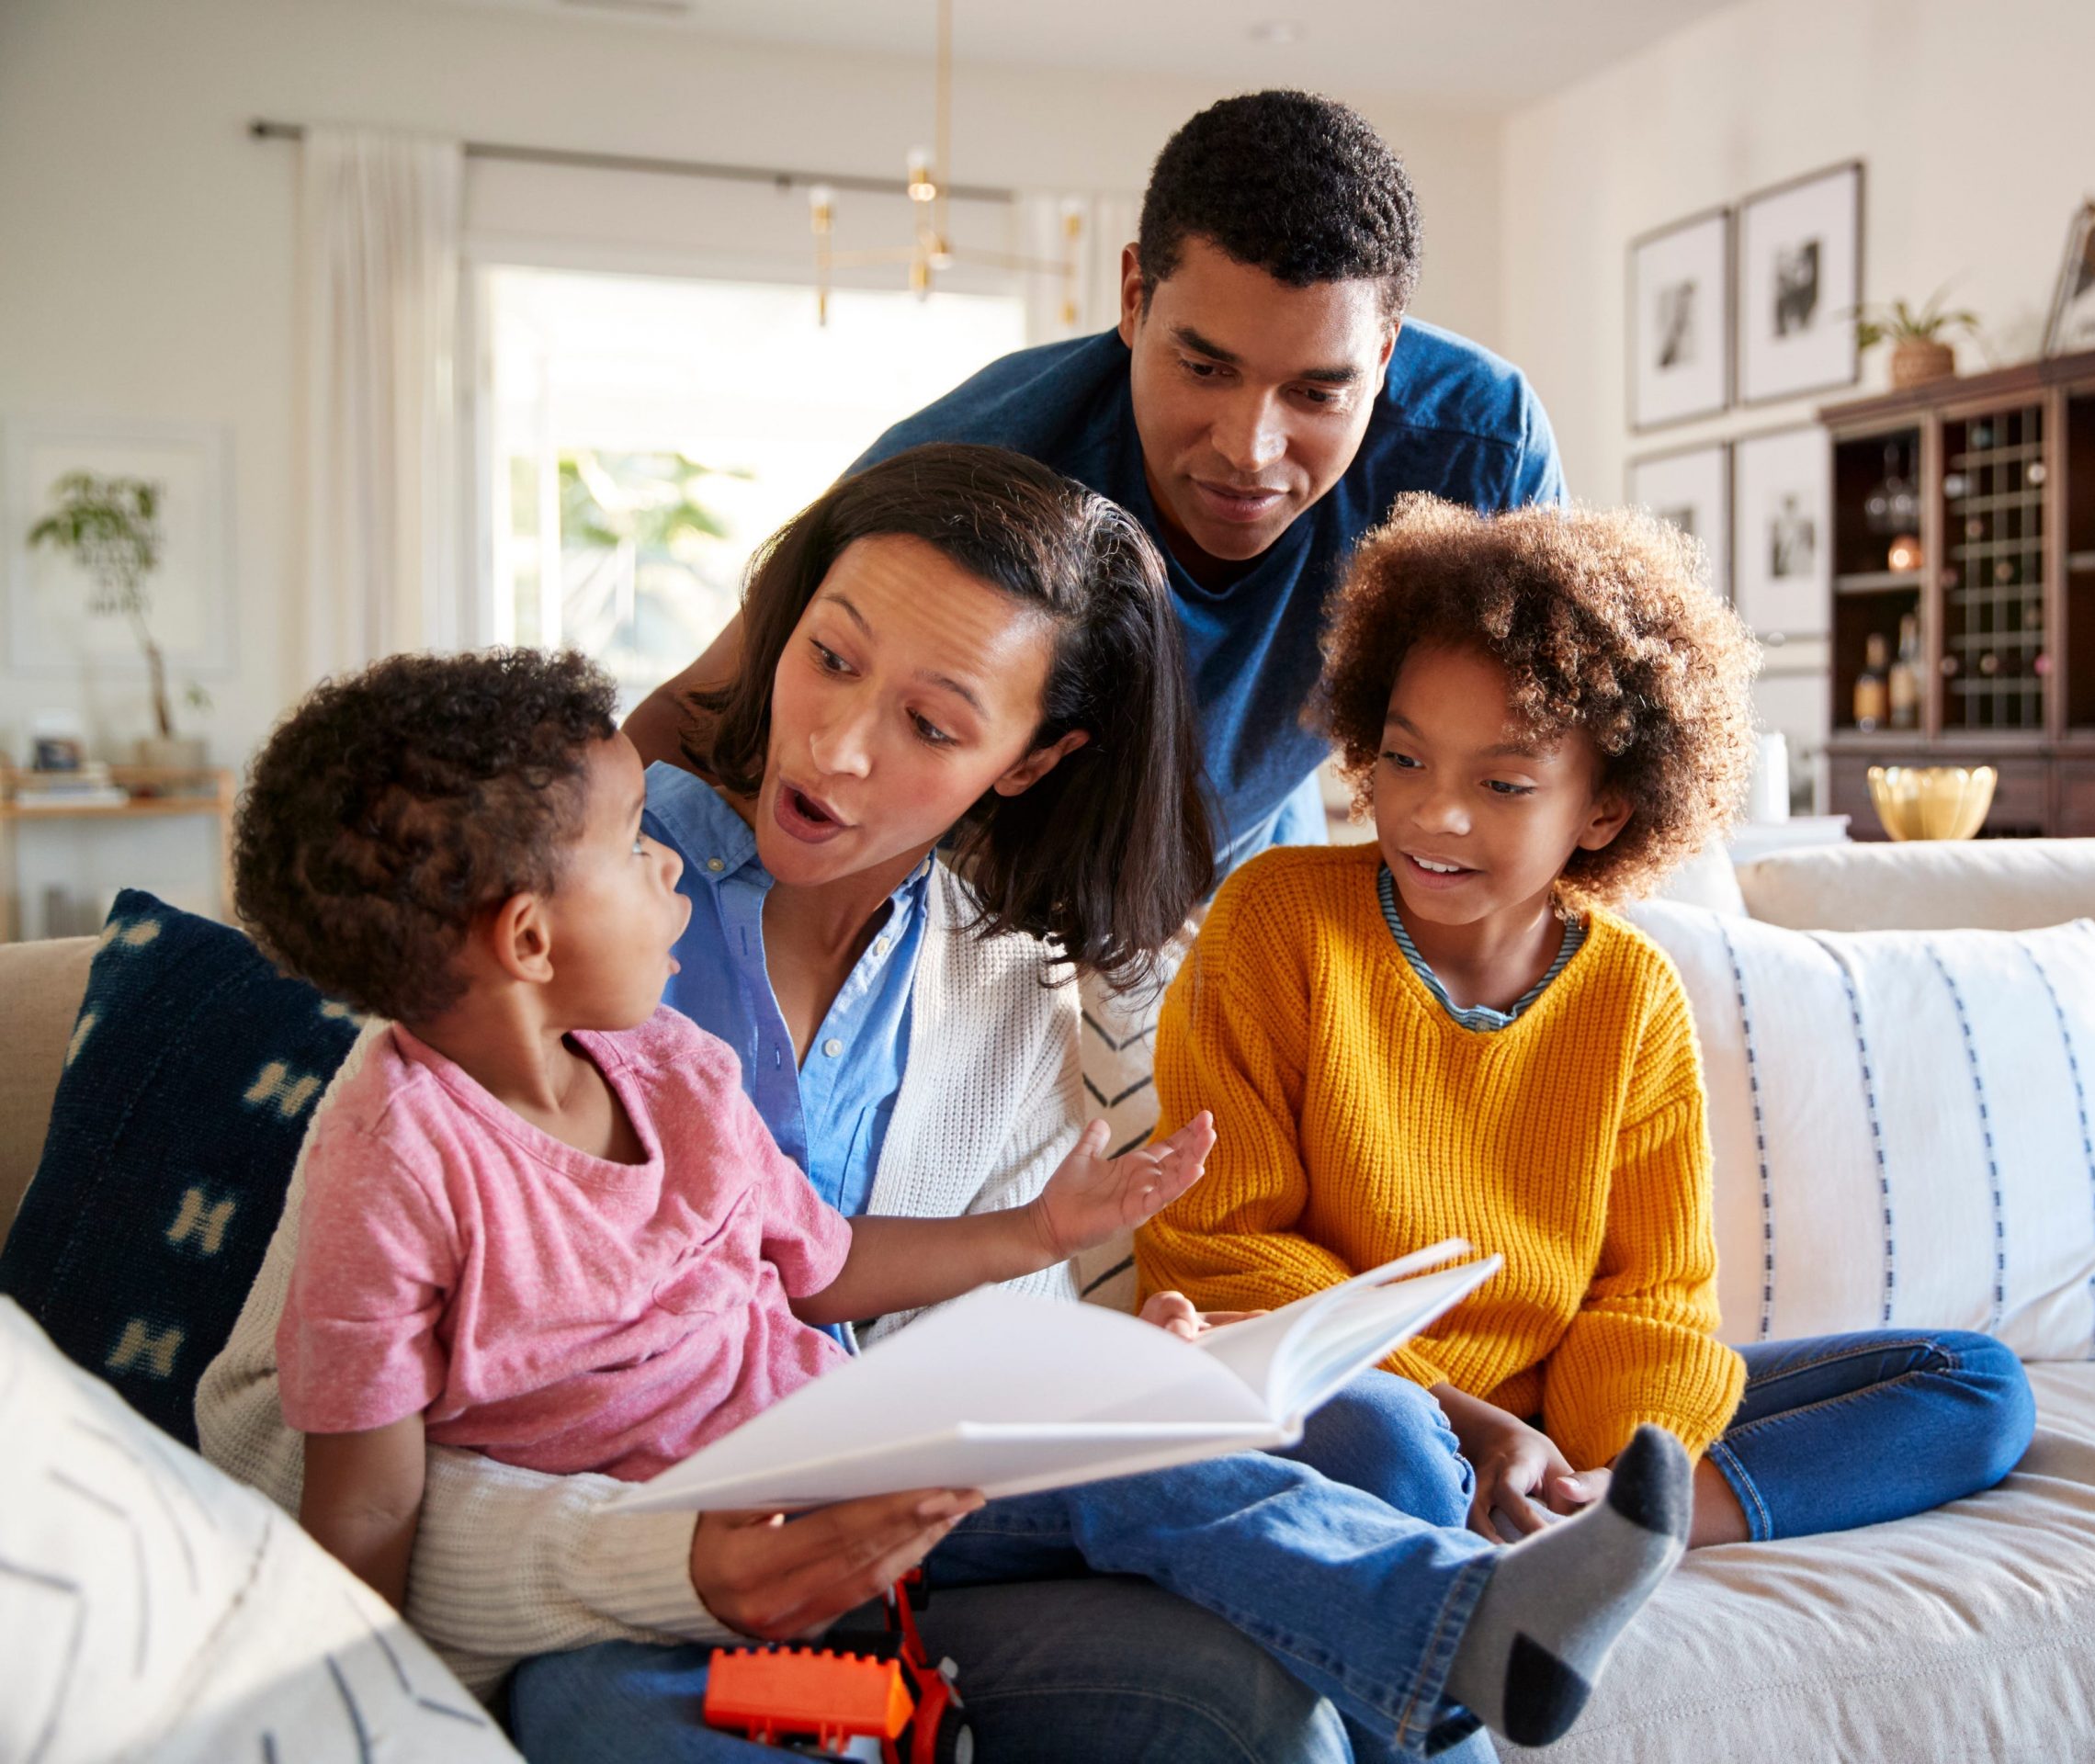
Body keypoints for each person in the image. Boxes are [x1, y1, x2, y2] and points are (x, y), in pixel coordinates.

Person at [191, 447, 1470, 1762]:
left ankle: (1478, 1645)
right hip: (613, 1590)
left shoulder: (1009, 988)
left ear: (1032, 760)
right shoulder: (514, 936)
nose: (836, 745)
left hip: (882, 1527)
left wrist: (1111, 1375)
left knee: (1375, 1443)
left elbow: (928, 1339)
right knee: (612, 1722)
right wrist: (666, 1565)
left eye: (933, 724)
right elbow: (291, 1454)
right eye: (830, 658)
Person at [1136, 496, 2038, 1550]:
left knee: (1973, 1386)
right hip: (1361, 1398)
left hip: (1559, 1412)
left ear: (1602, 812)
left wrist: (1608, 1459)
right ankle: (1510, 1511)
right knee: (1387, 1452)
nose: (1435, 814)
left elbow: (1648, 1294)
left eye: (1504, 782)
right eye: (1404, 758)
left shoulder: (1633, 995)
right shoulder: (1274, 921)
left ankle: (1601, 1522)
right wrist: (1469, 1427)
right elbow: (1221, 1246)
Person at [624, 89, 1561, 876]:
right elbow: (692, 720)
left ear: (1387, 354)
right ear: (1131, 298)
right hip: (989, 879)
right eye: (1204, 368)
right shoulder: (973, 458)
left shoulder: (1477, 450)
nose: (1249, 448)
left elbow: (1538, 763)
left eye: (1317, 391)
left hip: (1248, 866)